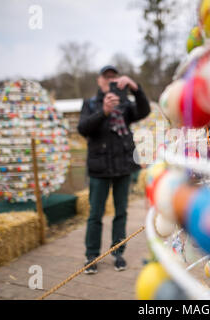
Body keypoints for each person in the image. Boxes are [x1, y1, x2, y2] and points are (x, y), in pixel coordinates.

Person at [78, 65, 150, 273]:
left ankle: (118, 253)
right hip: (99, 168)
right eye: (106, 77)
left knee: (121, 213)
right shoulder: (90, 104)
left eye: (114, 77)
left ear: (119, 81)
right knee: (95, 214)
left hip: (122, 167)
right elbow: (83, 129)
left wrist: (136, 88)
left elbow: (144, 110)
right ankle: (91, 256)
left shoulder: (126, 104)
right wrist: (104, 112)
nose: (110, 80)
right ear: (99, 81)